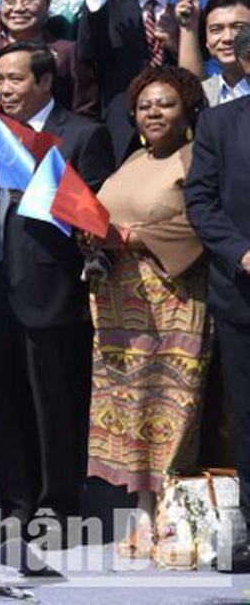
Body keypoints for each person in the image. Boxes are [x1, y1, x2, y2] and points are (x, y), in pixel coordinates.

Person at [0, 42, 114, 546]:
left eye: (16, 80)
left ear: (46, 82)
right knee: (3, 404)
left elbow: (92, 213)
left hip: (52, 289)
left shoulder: (83, 134)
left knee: (52, 405)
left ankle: (58, 508)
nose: (4, 90)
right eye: (0, 80)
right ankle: (16, 505)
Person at [87, 66, 210, 557]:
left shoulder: (199, 156)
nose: (153, 112)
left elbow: (200, 222)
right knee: (128, 407)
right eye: (145, 105)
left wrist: (138, 236)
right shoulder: (132, 158)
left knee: (171, 406)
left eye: (165, 104)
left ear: (187, 112)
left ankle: (173, 516)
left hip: (174, 301)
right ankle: (139, 509)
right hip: (118, 302)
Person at [184, 39, 250, 572]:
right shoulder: (219, 124)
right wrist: (241, 252)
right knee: (248, 419)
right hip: (243, 292)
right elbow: (201, 201)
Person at [78, 0, 200, 160]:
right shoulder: (107, 5)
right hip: (125, 133)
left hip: (188, 128)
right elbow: (88, 50)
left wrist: (179, 42)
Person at [201, 0, 250, 106]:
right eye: (216, 29)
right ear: (207, 41)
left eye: (238, 27)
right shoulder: (202, 95)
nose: (227, 38)